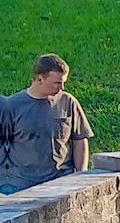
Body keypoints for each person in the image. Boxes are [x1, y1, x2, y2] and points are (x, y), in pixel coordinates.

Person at [0, 55, 94, 194]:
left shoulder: (68, 102)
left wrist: (81, 174)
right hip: (23, 186)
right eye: (57, 83)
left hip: (62, 182)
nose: (62, 88)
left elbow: (79, 139)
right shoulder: (13, 105)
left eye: (63, 83)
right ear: (39, 79)